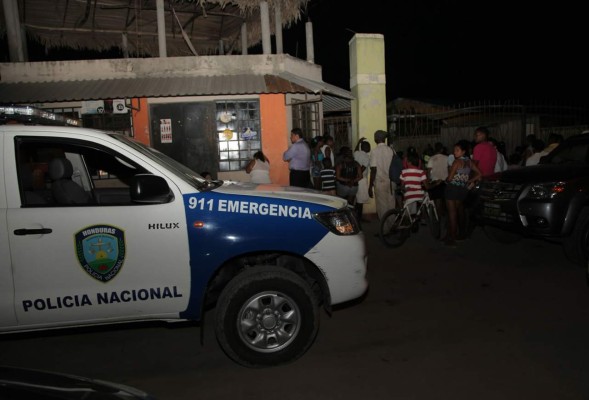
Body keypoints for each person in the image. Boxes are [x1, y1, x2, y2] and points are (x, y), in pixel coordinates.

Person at [443, 140, 482, 247]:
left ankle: (452, 239)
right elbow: (479, 174)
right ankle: (454, 235)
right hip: (462, 190)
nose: (455, 152)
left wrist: (446, 179)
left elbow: (450, 178)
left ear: (463, 151)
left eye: (457, 150)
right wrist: (468, 181)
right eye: (454, 150)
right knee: (456, 211)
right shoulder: (470, 162)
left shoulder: (456, 162)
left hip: (452, 189)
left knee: (452, 214)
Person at [368, 129, 396, 220]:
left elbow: (373, 169)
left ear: (376, 139)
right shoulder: (391, 150)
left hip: (380, 182)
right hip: (391, 181)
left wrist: (370, 185)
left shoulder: (374, 151)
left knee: (382, 207)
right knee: (391, 205)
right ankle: (392, 226)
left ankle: (385, 229)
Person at [426, 142, 448, 219]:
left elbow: (428, 171)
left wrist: (428, 181)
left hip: (435, 182)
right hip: (445, 181)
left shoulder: (432, 158)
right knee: (443, 200)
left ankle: (437, 217)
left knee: (437, 200)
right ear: (442, 149)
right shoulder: (447, 158)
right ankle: (442, 215)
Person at [354, 137, 371, 221]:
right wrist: (358, 176)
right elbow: (362, 168)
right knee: (360, 200)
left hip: (355, 178)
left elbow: (356, 149)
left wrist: (359, 142)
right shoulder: (367, 157)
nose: (370, 148)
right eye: (368, 146)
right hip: (361, 179)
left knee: (357, 198)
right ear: (366, 148)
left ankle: (356, 216)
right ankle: (359, 218)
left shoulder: (356, 153)